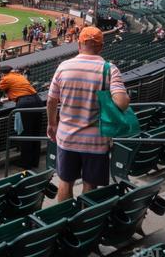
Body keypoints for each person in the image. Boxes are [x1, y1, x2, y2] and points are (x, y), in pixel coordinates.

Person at [47, 26, 129, 201]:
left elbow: (51, 101)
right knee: (90, 185)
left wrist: (52, 124)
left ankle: (63, 223)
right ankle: (84, 224)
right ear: (101, 47)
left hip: (67, 137)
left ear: (80, 43)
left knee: (65, 182)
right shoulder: (109, 69)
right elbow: (122, 103)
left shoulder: (63, 66)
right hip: (96, 140)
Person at [0, 65, 42, 169]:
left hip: (25, 104)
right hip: (37, 100)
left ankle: (26, 164)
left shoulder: (6, 78)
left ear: (3, 73)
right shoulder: (19, 76)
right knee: (35, 133)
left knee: (25, 133)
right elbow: (20, 91)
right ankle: (34, 162)